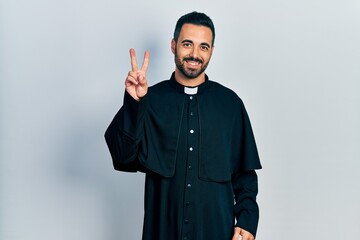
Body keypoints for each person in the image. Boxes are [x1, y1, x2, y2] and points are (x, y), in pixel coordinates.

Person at [105, 11, 262, 240]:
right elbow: (122, 156)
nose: (195, 54)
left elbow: (245, 176)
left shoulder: (230, 104)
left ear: (212, 51)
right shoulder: (150, 99)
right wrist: (134, 103)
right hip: (162, 233)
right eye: (188, 44)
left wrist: (247, 221)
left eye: (203, 47)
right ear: (173, 45)